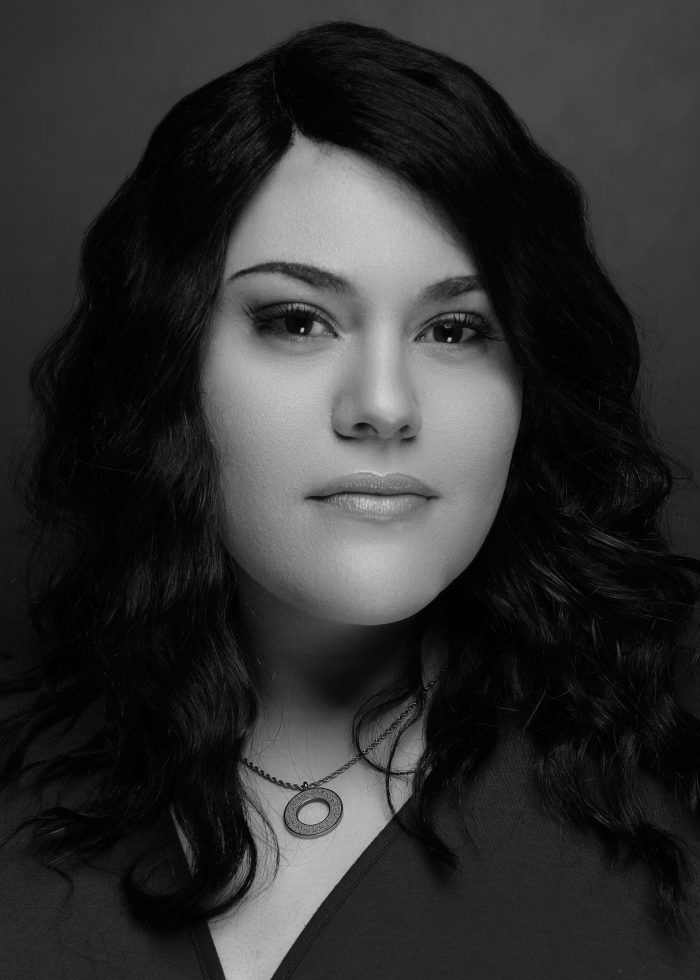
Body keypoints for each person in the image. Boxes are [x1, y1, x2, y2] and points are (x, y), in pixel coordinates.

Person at [1, 18, 699, 980]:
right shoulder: (20, 802)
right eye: (298, 320)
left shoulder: (666, 815)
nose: (383, 405)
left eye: (455, 329)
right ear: (170, 365)